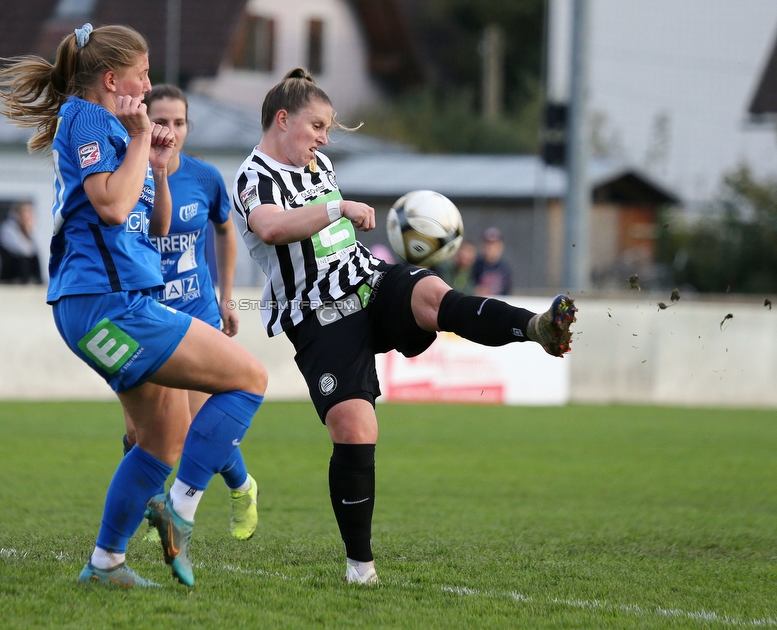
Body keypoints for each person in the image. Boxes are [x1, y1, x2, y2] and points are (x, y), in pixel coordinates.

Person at [231, 68, 576, 585]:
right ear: (283, 120)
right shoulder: (252, 177)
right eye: (318, 126)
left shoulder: (318, 163)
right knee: (354, 427)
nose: (324, 139)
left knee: (434, 296)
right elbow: (272, 227)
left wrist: (339, 211)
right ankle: (361, 568)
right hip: (319, 317)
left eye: (327, 129)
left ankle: (537, 328)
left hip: (369, 283)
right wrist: (337, 207)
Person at [0, 23, 268, 589]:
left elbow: (152, 226)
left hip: (112, 303)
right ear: (112, 79)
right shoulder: (88, 118)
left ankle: (107, 564)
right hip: (107, 305)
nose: (149, 82)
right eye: (142, 72)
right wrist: (141, 141)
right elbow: (111, 209)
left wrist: (156, 165)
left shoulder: (111, 128)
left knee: (161, 440)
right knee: (250, 378)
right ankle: (185, 513)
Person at [114, 83, 258, 541]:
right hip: (145, 314)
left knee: (194, 425)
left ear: (188, 127)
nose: (170, 131)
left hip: (196, 311)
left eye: (178, 122)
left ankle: (238, 489)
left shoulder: (206, 177)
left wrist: (227, 295)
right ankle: (167, 504)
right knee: (141, 435)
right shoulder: (127, 174)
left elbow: (225, 232)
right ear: (144, 123)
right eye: (161, 121)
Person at [0, 201, 43, 284]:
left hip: (20, 257)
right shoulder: (8, 228)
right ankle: (24, 281)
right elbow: (21, 249)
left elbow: (35, 248)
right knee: (23, 259)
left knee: (35, 256)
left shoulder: (29, 229)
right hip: (8, 264)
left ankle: (38, 280)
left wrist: (29, 231)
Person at [473, 227, 511, 296]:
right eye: (487, 244)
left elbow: (507, 291)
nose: (490, 248)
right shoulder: (475, 265)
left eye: (494, 245)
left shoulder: (504, 268)